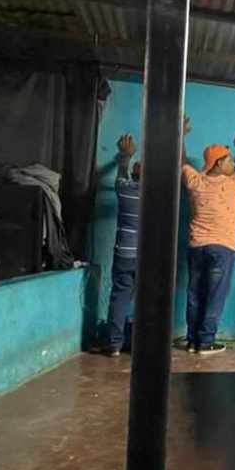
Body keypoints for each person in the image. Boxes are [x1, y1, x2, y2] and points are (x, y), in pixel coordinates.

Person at [182, 127, 235, 354]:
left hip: (196, 247)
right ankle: (206, 342)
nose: (234, 164)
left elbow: (182, 162)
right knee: (215, 296)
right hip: (223, 248)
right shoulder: (234, 183)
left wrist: (180, 136)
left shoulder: (195, 181)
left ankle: (192, 341)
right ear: (219, 163)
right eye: (230, 160)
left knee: (194, 294)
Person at [104, 133, 142, 356]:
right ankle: (139, 343)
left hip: (124, 255)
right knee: (144, 301)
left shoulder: (126, 190)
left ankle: (114, 345)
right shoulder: (159, 196)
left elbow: (120, 173)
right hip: (147, 255)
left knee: (119, 298)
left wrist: (126, 155)